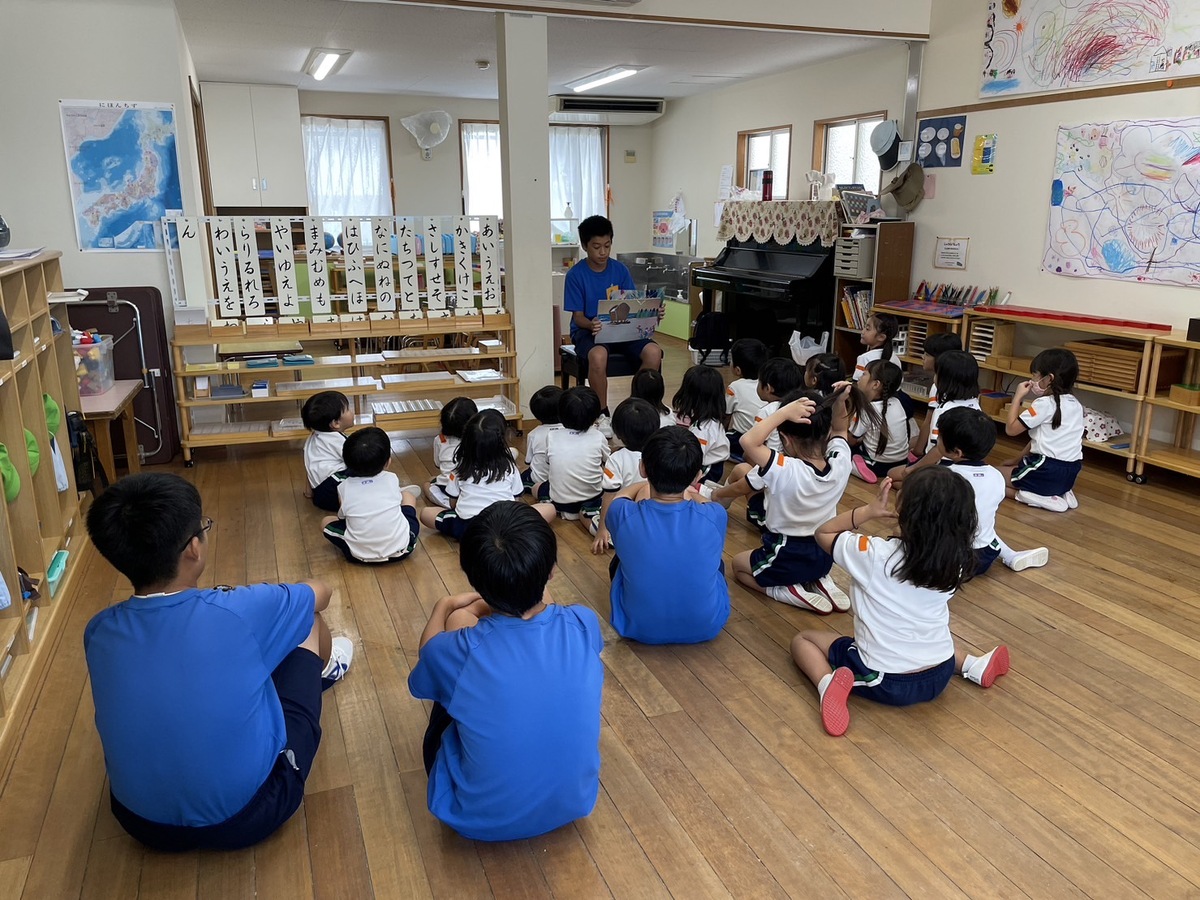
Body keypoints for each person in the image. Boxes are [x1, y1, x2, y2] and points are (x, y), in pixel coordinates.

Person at [83, 473, 353, 851]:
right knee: (307, 621)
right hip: (249, 815)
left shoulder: (98, 630)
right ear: (193, 548)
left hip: (139, 823)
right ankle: (323, 671)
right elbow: (321, 593)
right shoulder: (238, 610)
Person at [408, 501, 604, 841]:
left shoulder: (457, 652)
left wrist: (444, 606)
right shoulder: (583, 621)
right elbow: (549, 613)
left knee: (458, 625)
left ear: (470, 575)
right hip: (574, 803)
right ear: (552, 570)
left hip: (472, 816)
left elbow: (426, 663)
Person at [791, 471, 1010, 737]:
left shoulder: (874, 554)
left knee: (804, 640)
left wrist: (868, 511)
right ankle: (973, 666)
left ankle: (827, 685)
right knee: (929, 635)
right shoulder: (958, 561)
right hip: (941, 670)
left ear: (904, 511)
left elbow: (824, 532)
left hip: (886, 681)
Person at [718, 389, 853, 615]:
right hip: (824, 554)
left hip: (786, 554)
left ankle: (787, 592)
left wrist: (784, 413)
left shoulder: (785, 468)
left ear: (786, 439)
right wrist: (840, 401)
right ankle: (819, 580)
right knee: (805, 566)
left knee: (738, 566)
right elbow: (840, 429)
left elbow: (747, 441)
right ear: (826, 432)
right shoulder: (841, 462)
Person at [606, 426, 730, 643]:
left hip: (636, 626)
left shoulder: (621, 512)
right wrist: (691, 492)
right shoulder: (716, 515)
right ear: (697, 476)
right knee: (716, 562)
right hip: (707, 626)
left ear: (642, 468)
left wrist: (641, 484)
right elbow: (707, 505)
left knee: (622, 557)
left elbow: (619, 497)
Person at [563, 215, 663, 436]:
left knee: (654, 352)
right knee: (598, 355)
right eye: (596, 247)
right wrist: (591, 324)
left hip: (623, 330)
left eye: (607, 246)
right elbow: (578, 317)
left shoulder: (620, 270)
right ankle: (602, 414)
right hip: (589, 331)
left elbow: (633, 305)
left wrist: (653, 313)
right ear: (585, 246)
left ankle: (637, 407)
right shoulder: (575, 275)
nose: (603, 252)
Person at [938, 407, 1049, 573]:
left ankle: (952, 570)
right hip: (987, 553)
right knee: (982, 524)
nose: (937, 439)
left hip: (955, 556)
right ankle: (1011, 555)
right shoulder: (996, 475)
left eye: (940, 436)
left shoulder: (945, 477)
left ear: (956, 452)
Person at [420, 409, 555, 539]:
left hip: (469, 526)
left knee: (426, 513)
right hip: (506, 525)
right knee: (549, 509)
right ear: (501, 443)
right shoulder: (510, 467)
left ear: (465, 441)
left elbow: (453, 504)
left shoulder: (459, 469)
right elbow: (516, 500)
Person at [320, 427, 421, 564]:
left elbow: (343, 518)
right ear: (388, 462)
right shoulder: (391, 478)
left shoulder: (343, 487)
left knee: (326, 522)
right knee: (408, 496)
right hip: (402, 550)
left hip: (357, 555)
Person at [1001, 348, 1084, 512]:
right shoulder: (1076, 404)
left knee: (993, 475)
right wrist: (1015, 460)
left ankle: (1033, 496)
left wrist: (1018, 397)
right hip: (1070, 473)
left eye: (1035, 375)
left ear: (1049, 379)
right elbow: (1038, 441)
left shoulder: (1043, 404)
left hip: (1046, 470)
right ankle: (1060, 492)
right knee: (1009, 472)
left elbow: (1011, 429)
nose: (1032, 381)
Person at [889, 350, 981, 484]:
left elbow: (937, 451)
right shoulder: (976, 404)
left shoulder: (944, 410)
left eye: (936, 373)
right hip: (966, 468)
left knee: (892, 475)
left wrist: (912, 469)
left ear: (944, 380)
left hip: (940, 468)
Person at [590, 397, 659, 551]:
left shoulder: (616, 459)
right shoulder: (659, 453)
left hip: (625, 517)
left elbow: (609, 495)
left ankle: (608, 536)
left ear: (618, 433)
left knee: (585, 513)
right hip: (654, 517)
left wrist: (602, 529)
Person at [534, 386, 610, 521]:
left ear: (560, 415)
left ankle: (553, 505)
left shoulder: (552, 436)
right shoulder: (599, 437)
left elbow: (548, 462)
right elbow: (608, 462)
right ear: (595, 417)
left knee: (536, 487)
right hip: (593, 499)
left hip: (561, 502)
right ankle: (588, 512)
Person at [849, 360, 916, 483]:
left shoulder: (867, 409)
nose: (859, 377)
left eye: (864, 374)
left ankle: (860, 467)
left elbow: (851, 440)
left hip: (877, 465)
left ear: (875, 384)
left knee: (843, 447)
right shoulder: (898, 403)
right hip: (901, 461)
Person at [673, 364, 731, 484]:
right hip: (712, 465)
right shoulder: (711, 420)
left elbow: (694, 459)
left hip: (707, 471)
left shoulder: (702, 429)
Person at [912, 331, 963, 455]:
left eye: (927, 354)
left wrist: (917, 452)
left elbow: (928, 421)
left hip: (940, 448)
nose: (923, 357)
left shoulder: (938, 386)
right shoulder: (962, 382)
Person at [301, 390, 352, 512]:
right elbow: (357, 459)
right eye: (348, 409)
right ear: (335, 423)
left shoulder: (313, 437)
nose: (352, 412)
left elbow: (309, 465)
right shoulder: (338, 440)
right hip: (334, 492)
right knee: (363, 465)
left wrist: (308, 491)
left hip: (319, 494)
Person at [425, 397, 478, 509]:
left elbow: (437, 464)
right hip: (471, 488)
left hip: (446, 488)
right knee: (434, 479)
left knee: (427, 484)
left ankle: (448, 503)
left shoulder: (440, 439)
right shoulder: (477, 440)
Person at [725, 338, 769, 461]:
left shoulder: (734, 387)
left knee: (724, 439)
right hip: (767, 440)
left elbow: (726, 416)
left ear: (738, 370)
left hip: (745, 439)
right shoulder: (767, 386)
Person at [521, 385, 563, 492]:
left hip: (539, 478)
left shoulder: (533, 434)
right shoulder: (569, 431)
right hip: (564, 480)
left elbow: (528, 461)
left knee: (523, 476)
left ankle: (538, 489)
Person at [854, 313, 899, 382]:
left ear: (881, 337)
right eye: (864, 327)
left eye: (867, 329)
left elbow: (857, 384)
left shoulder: (865, 358)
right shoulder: (896, 359)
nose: (862, 332)